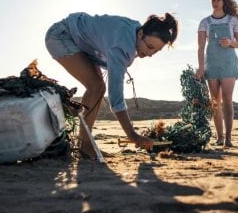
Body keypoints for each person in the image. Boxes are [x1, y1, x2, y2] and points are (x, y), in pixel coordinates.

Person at [45, 12, 178, 158]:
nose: (150, 53)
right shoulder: (122, 47)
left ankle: (85, 143)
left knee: (97, 87)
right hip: (62, 35)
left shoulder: (136, 30)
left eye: (156, 51)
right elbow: (116, 97)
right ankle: (85, 145)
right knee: (96, 86)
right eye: (150, 46)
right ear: (140, 34)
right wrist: (132, 135)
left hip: (82, 40)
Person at [196, 0, 238, 148]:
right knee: (215, 101)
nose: (215, 3)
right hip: (212, 64)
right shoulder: (205, 22)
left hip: (228, 63)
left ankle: (229, 138)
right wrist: (201, 67)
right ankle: (220, 137)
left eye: (218, 0)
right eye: (213, 0)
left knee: (228, 100)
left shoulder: (233, 20)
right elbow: (201, 47)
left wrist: (230, 43)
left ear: (223, 1)